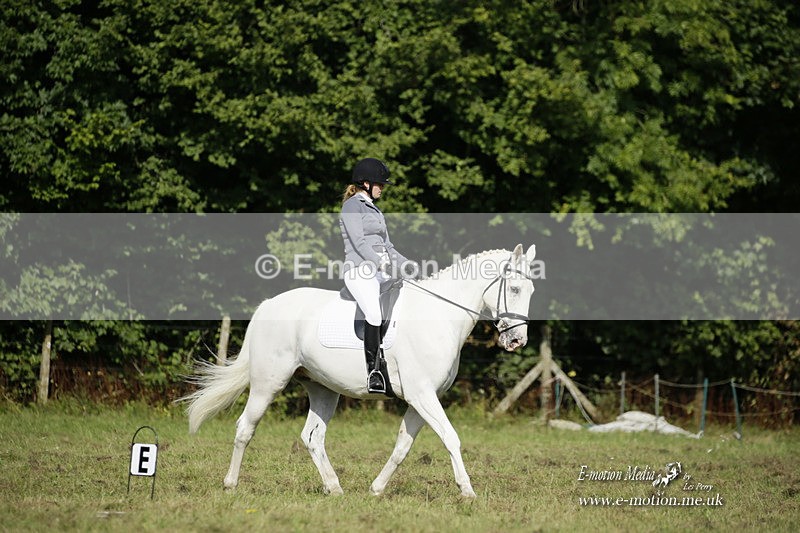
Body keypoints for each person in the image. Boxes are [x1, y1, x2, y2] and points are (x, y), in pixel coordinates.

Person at [339, 157, 414, 394]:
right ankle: (374, 371)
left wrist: (407, 265)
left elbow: (388, 246)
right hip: (360, 269)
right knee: (373, 312)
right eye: (379, 184)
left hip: (379, 269)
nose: (382, 188)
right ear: (365, 183)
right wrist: (380, 262)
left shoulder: (376, 209)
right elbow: (359, 242)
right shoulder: (352, 206)